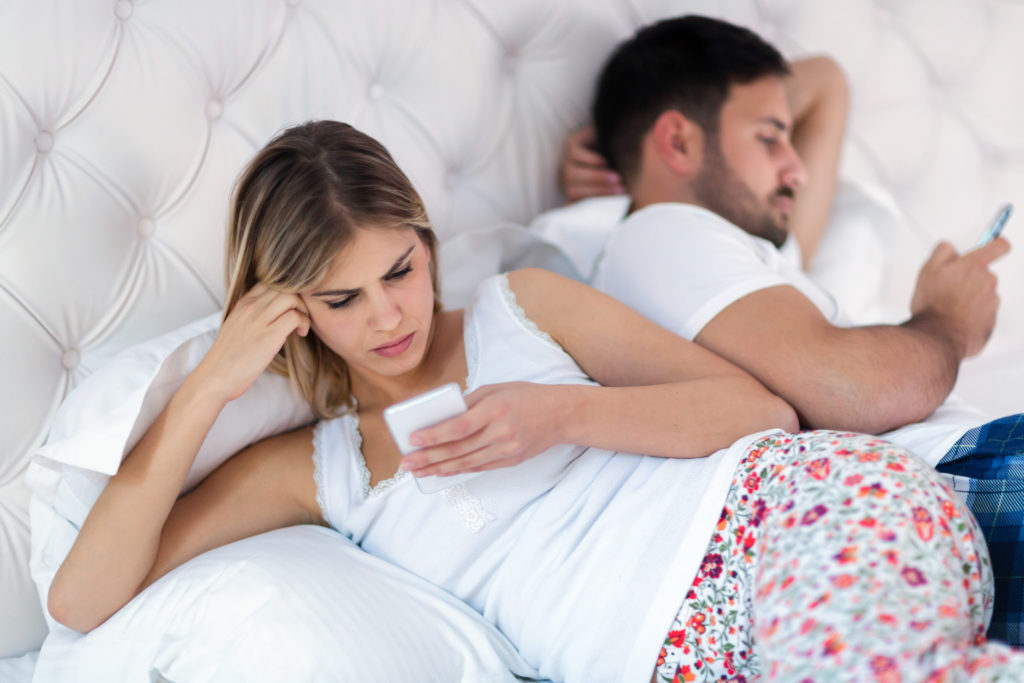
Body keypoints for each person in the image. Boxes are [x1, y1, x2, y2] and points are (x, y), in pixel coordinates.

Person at [46, 120, 1022, 682]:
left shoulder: (522, 309)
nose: (389, 315)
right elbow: (84, 599)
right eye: (342, 298)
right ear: (291, 309)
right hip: (671, 659)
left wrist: (559, 415)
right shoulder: (315, 468)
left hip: (782, 519)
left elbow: (757, 408)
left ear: (425, 240)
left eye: (401, 267)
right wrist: (211, 383)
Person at [582, 15, 1024, 646]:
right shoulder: (661, 235)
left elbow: (827, 82)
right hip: (952, 489)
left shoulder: (747, 251)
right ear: (677, 143)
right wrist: (946, 320)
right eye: (770, 138)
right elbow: (850, 390)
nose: (798, 169)